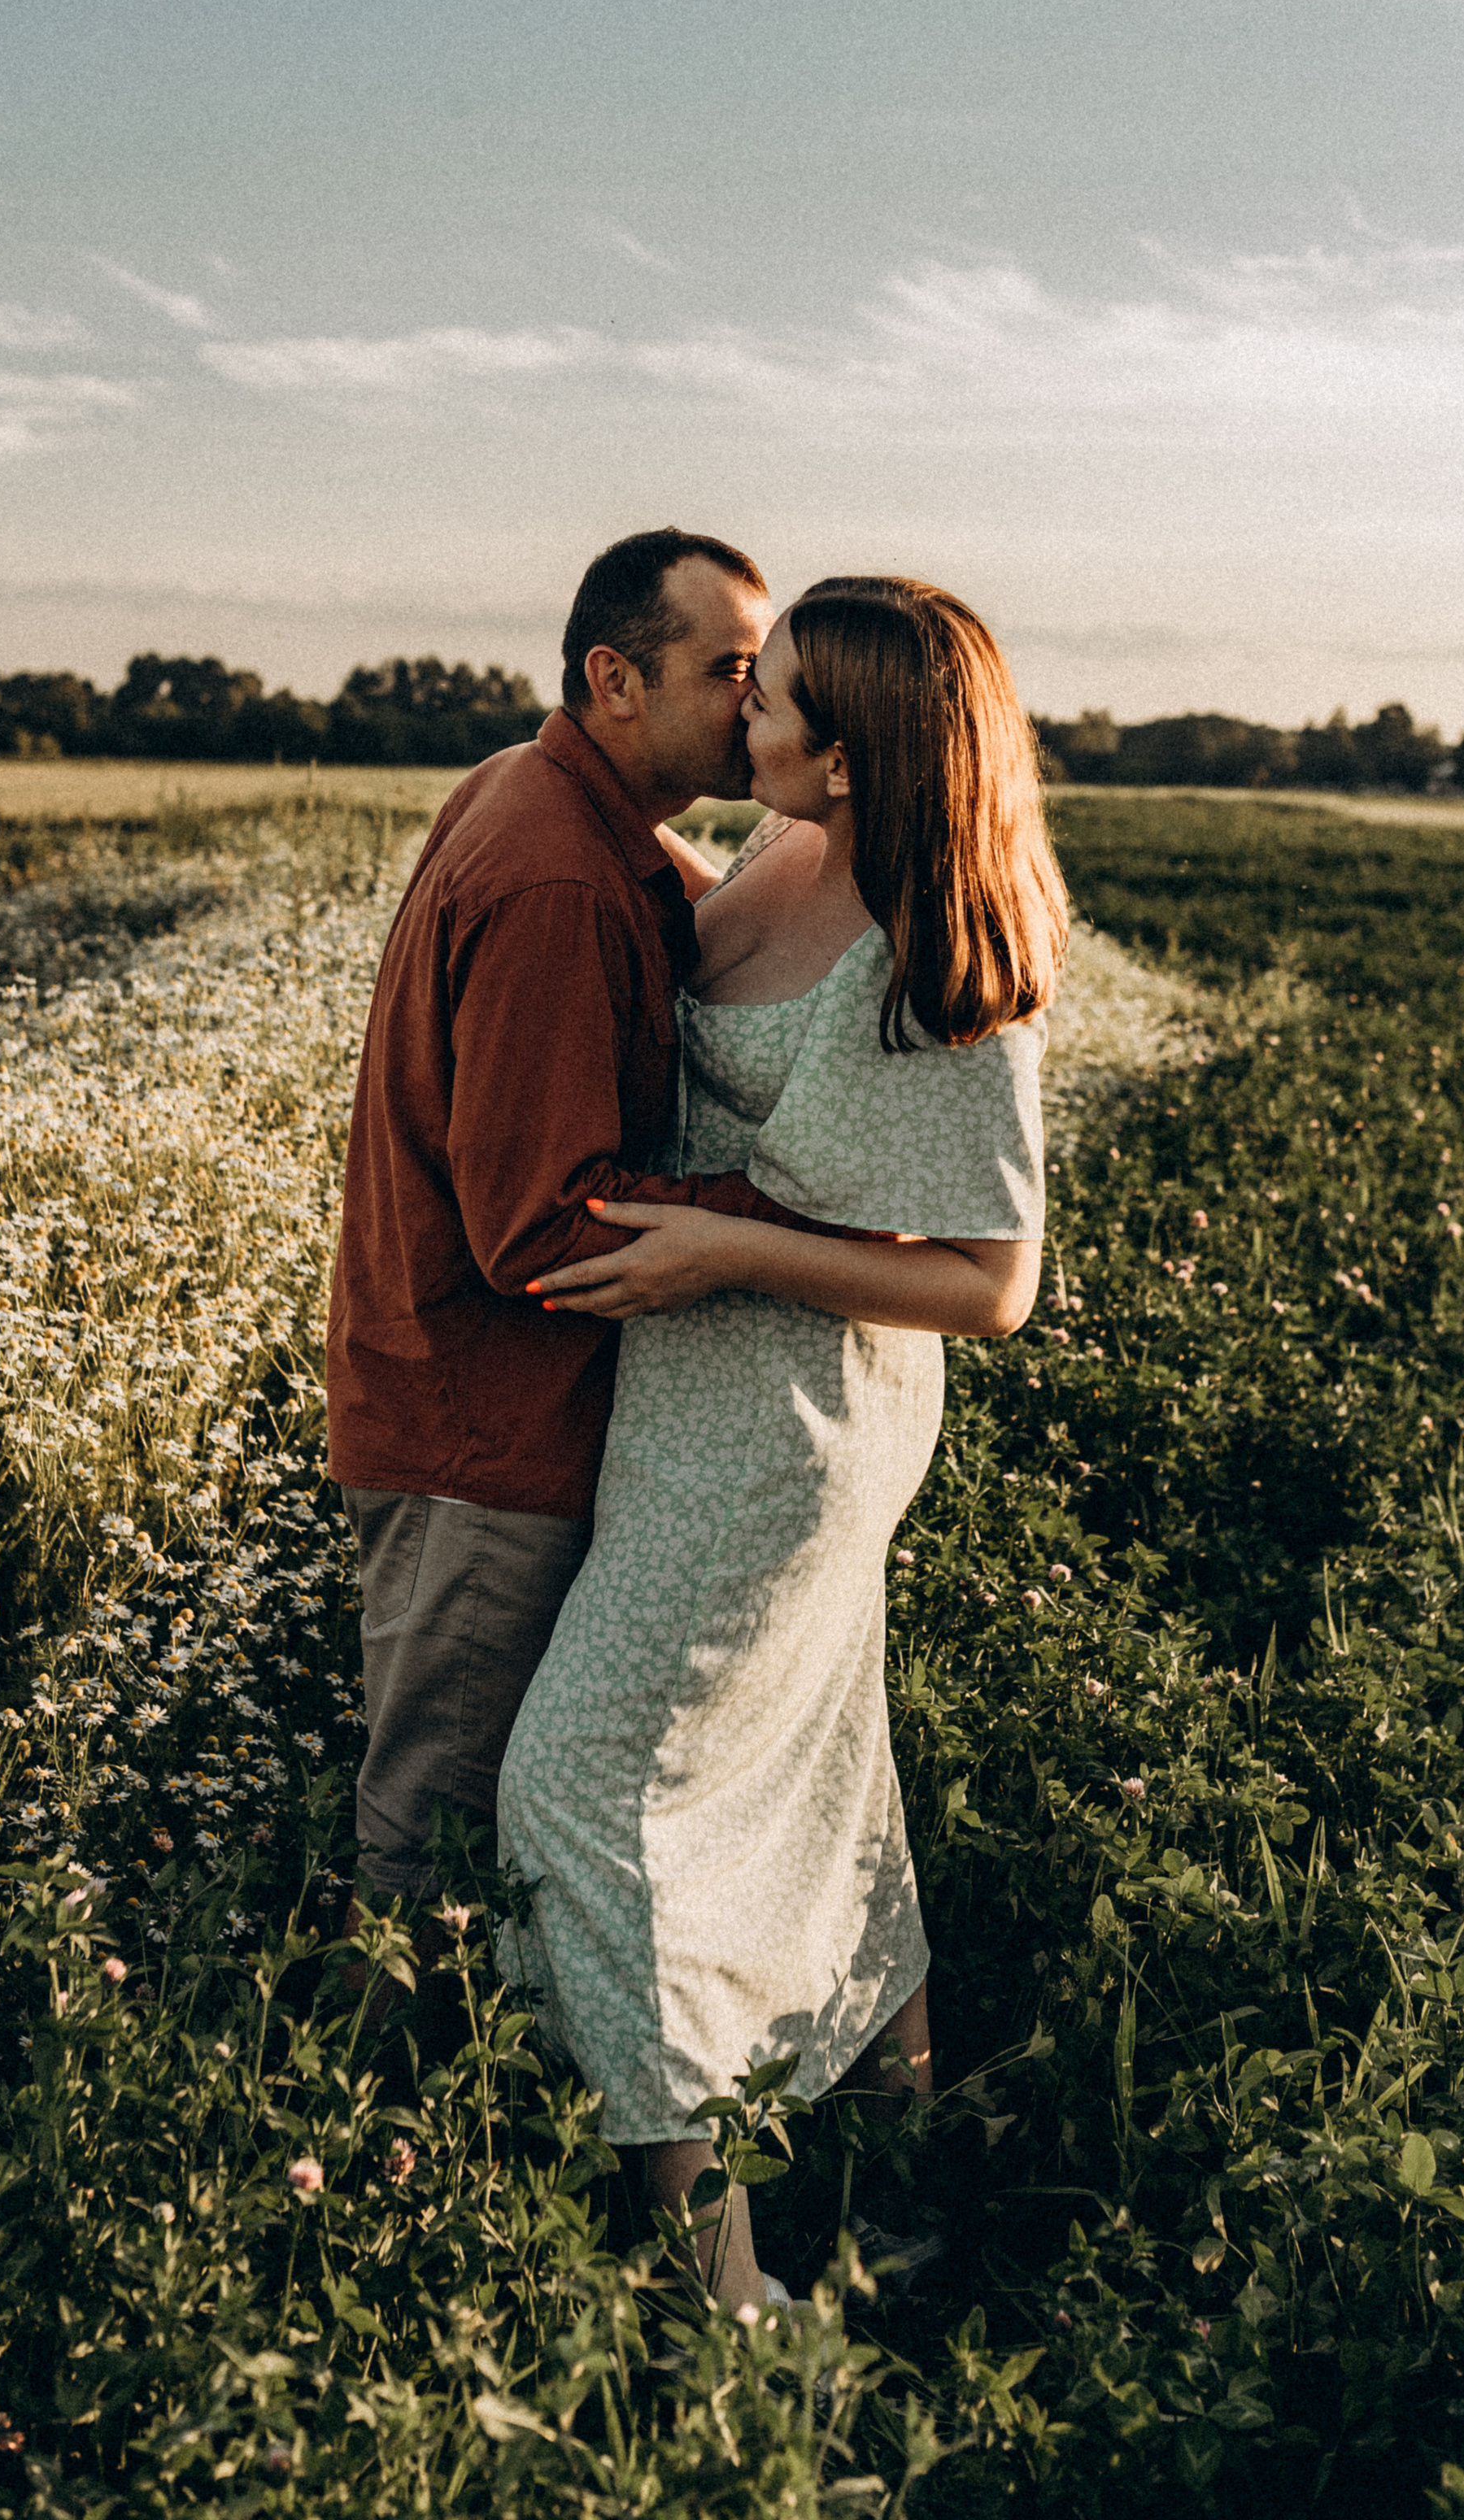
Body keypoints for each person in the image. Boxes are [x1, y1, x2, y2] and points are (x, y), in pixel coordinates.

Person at [499, 575, 1067, 2309]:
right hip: (702, 1399)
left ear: (850, 745)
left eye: (774, 696)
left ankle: (719, 2291)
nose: (740, 710)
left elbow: (992, 1284)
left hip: (793, 1422)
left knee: (578, 1792)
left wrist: (730, 1250)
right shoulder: (769, 855)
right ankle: (897, 2185)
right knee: (820, 1761)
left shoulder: (926, 928)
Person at [328, 527, 846, 1923]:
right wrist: (795, 1218)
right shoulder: (555, 875)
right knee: (437, 1833)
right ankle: (376, 2126)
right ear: (616, 681)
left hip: (462, 1403)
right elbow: (542, 1233)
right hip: (483, 1431)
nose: (753, 701)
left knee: (481, 1809)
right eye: (729, 668)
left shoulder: (544, 797)